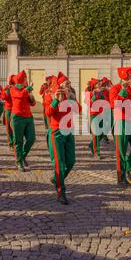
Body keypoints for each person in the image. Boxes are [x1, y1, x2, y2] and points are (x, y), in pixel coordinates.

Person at [44, 73, 81, 204]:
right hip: (56, 132)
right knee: (59, 163)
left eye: (69, 84)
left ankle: (56, 178)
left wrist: (73, 98)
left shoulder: (70, 96)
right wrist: (55, 100)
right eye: (67, 84)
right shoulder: (51, 95)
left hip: (68, 132)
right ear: (60, 85)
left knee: (71, 161)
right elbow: (48, 113)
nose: (69, 86)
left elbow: (79, 110)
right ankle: (61, 192)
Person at [110, 66, 131, 185]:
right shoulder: (115, 88)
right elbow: (115, 104)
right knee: (121, 152)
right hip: (122, 122)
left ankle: (127, 168)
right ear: (125, 77)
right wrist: (124, 90)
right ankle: (120, 178)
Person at [10, 70, 36, 172]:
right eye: (25, 80)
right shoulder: (13, 89)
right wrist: (28, 90)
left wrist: (31, 98)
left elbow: (32, 104)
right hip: (18, 117)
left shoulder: (26, 90)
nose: (26, 81)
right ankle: (19, 161)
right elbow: (20, 95)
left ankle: (23, 155)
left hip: (28, 117)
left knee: (31, 138)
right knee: (18, 141)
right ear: (21, 81)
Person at [2, 75, 15, 150]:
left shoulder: (18, 88)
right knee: (9, 128)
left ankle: (15, 142)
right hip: (8, 109)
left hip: (15, 109)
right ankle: (11, 143)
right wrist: (7, 91)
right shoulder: (7, 88)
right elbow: (3, 97)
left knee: (15, 128)